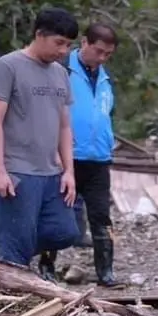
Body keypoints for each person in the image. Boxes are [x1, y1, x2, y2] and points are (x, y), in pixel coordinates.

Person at [0, 8, 82, 269]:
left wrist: (69, 171)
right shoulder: (8, 66)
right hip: (17, 171)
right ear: (39, 34)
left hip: (51, 172)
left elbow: (64, 125)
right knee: (17, 247)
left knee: (66, 231)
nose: (63, 51)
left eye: (68, 45)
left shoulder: (60, 73)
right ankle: (6, 279)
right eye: (58, 43)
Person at [38, 23, 121, 285]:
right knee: (55, 212)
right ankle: (47, 264)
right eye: (99, 51)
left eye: (108, 54)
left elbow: (106, 113)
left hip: (98, 158)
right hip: (66, 156)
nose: (102, 58)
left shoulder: (106, 78)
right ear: (84, 43)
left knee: (101, 216)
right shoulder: (61, 69)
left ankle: (105, 270)